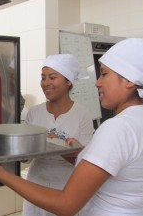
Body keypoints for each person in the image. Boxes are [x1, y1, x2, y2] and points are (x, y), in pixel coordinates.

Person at [0, 37, 143, 216]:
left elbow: (66, 205)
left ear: (130, 80)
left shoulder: (118, 128)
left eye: (104, 74)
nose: (97, 83)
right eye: (43, 77)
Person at [23, 54, 94, 216]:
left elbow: (85, 161)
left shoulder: (82, 115)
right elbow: (25, 158)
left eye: (52, 77)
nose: (46, 83)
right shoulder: (34, 113)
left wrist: (58, 145)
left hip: (68, 186)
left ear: (68, 81)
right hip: (37, 183)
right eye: (43, 77)